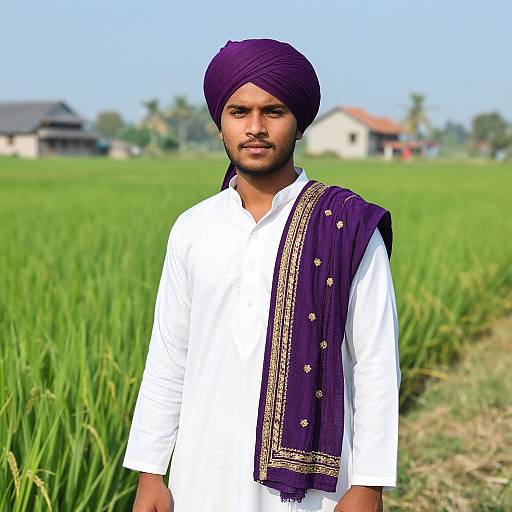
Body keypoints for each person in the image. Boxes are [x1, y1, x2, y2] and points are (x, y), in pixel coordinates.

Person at [123, 38, 401, 512]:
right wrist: (151, 471)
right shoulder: (193, 227)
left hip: (311, 490)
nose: (255, 127)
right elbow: (170, 355)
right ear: (220, 123)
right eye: (239, 112)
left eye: (273, 111)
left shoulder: (349, 227)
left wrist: (370, 484)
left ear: (299, 124)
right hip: (200, 475)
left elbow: (375, 362)